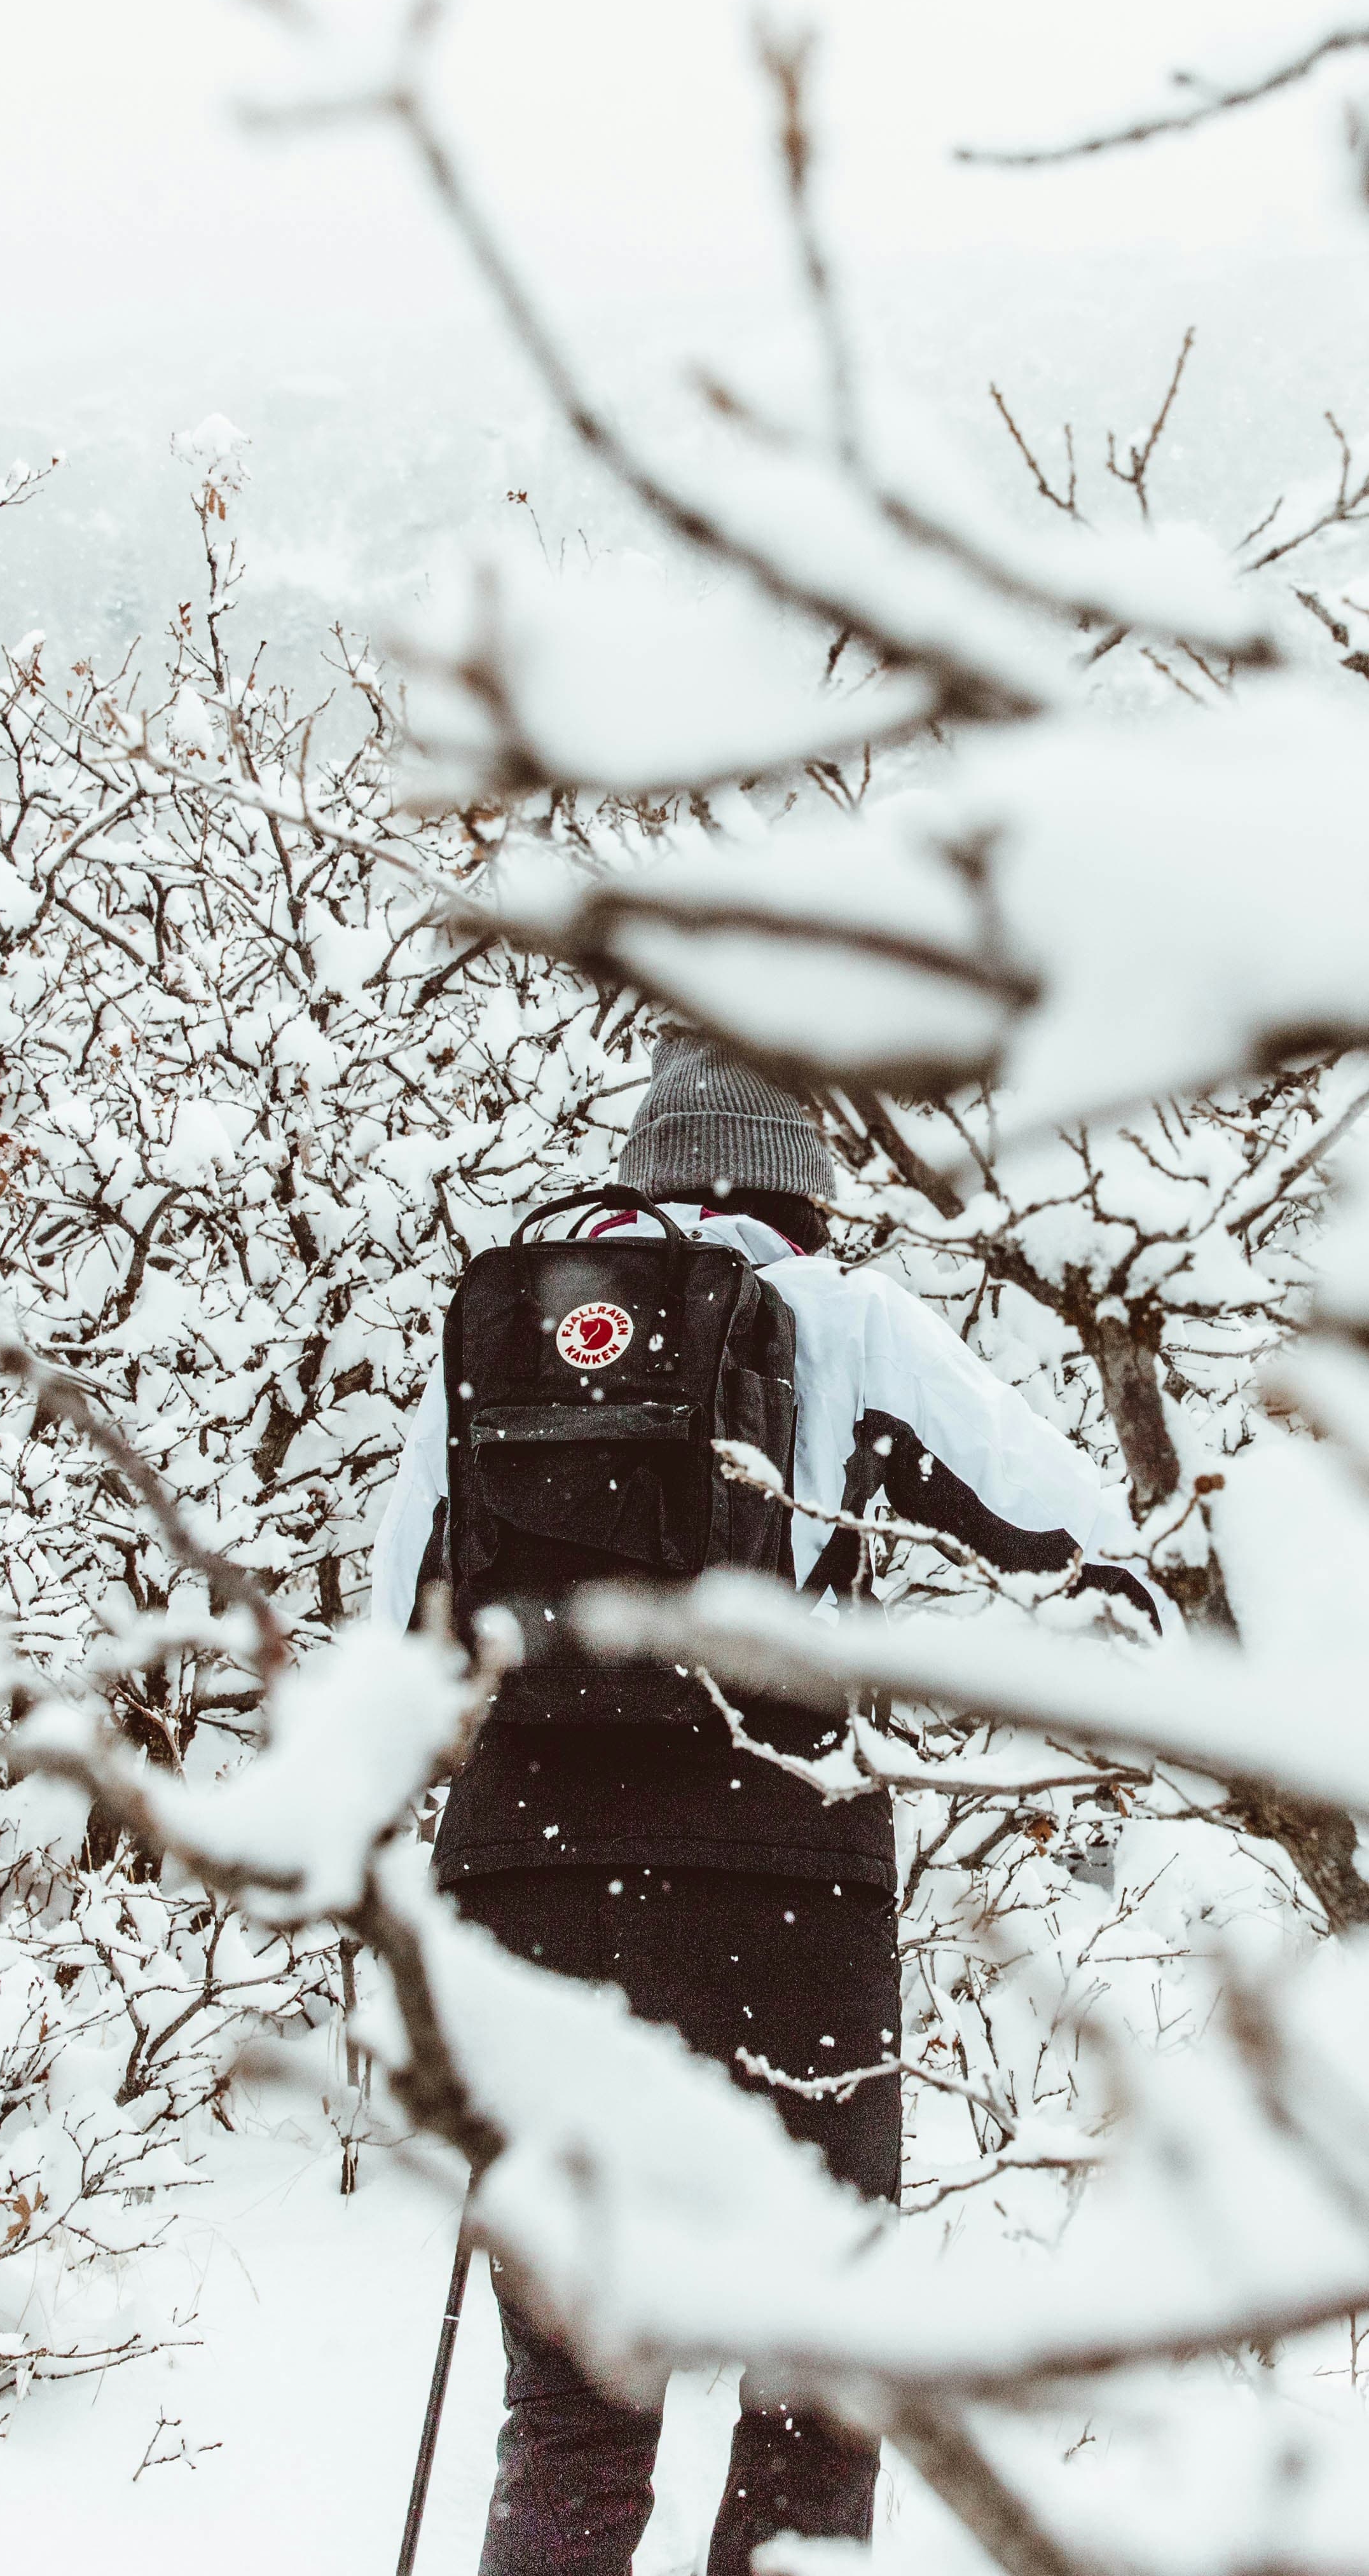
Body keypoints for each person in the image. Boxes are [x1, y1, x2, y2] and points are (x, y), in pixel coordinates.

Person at [369, 1034, 1159, 2576]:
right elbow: (1072, 1528)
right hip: (781, 1886)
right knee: (811, 2378)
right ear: (805, 1181)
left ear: (645, 1168)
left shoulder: (504, 1328)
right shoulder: (846, 1318)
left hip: (533, 1898)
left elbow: (402, 1624)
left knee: (578, 2407)